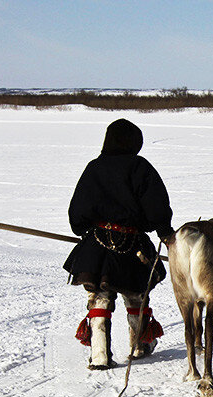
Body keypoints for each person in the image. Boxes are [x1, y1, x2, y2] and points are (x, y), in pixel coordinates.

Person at [64, 118, 174, 369]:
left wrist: (82, 230)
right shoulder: (140, 167)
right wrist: (165, 232)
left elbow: (78, 210)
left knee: (100, 297)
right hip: (131, 242)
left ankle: (99, 354)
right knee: (135, 293)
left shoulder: (94, 168)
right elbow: (156, 205)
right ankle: (139, 345)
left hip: (98, 242)